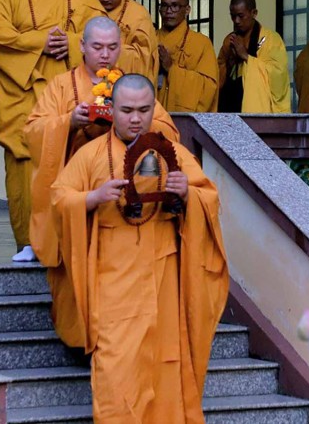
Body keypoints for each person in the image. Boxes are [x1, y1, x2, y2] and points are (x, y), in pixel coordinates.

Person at [50, 74, 228, 422]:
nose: (136, 119)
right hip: (114, 282)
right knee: (115, 371)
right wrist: (93, 198)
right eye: (127, 110)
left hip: (163, 278)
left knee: (166, 366)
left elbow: (208, 196)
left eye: (144, 110)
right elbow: (59, 198)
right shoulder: (91, 155)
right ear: (111, 110)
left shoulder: (172, 153)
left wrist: (187, 194)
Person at [22, 18, 180, 344]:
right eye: (97, 47)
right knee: (76, 271)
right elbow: (32, 132)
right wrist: (68, 122)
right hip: (80, 191)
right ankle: (81, 337)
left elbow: (168, 131)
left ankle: (118, 342)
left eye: (112, 47)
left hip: (125, 202)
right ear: (82, 46)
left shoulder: (130, 87)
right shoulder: (61, 85)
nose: (105, 55)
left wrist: (132, 120)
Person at [0, 0, 104, 256]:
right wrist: (41, 42)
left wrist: (73, 44)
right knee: (24, 177)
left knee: (69, 168)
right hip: (23, 103)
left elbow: (104, 39)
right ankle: (28, 244)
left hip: (68, 104)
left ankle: (67, 246)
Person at [217, 0, 290, 113]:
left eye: (241, 16)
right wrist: (229, 63)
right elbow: (218, 75)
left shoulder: (271, 39)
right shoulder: (229, 41)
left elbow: (279, 76)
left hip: (258, 108)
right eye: (233, 16)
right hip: (231, 106)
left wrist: (245, 56)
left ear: (254, 13)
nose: (236, 21)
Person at [91, 0, 160, 80]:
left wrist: (106, 49)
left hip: (123, 85)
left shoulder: (138, 15)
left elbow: (144, 59)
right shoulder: (87, 8)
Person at [157, 0, 219, 112]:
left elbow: (208, 87)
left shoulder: (202, 43)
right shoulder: (150, 39)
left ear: (187, 10)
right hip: (151, 113)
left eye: (175, 6)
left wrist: (172, 69)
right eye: (164, 6)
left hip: (183, 117)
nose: (168, 11)